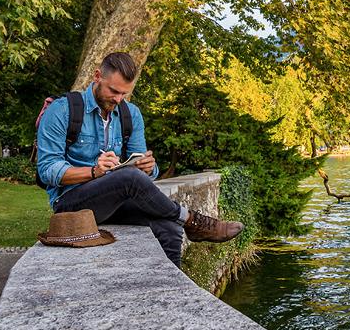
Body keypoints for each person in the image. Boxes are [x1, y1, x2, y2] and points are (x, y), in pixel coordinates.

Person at [36, 52, 243, 267]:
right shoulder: (62, 109)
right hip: (71, 205)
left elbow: (142, 171)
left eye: (124, 94)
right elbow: (47, 170)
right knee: (129, 178)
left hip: (114, 202)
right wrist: (93, 171)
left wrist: (149, 167)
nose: (117, 99)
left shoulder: (130, 114)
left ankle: (171, 292)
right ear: (97, 76)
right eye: (113, 91)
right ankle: (192, 221)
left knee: (169, 227)